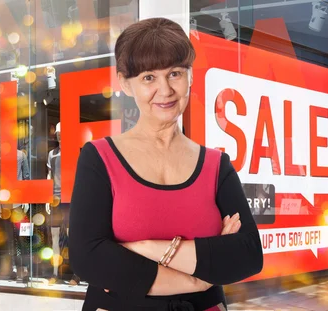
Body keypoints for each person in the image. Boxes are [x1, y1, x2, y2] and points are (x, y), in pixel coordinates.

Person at [69, 18, 263, 311]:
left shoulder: (215, 165)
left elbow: (248, 254)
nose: (165, 90)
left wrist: (148, 249)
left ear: (190, 76)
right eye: (148, 77)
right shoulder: (100, 158)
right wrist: (198, 278)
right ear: (124, 82)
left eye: (175, 73)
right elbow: (88, 259)